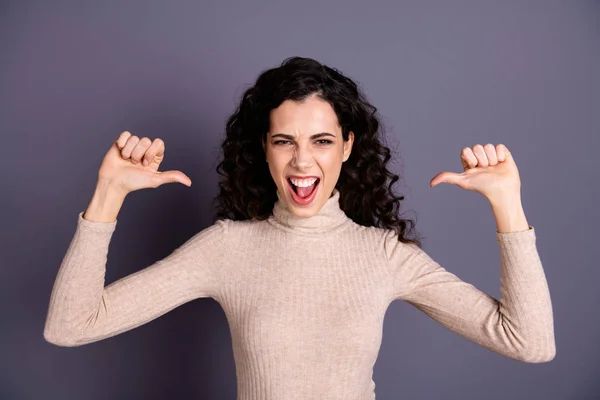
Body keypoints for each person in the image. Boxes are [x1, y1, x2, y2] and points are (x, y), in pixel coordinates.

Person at [43, 56, 555, 399]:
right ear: (263, 149)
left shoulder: (383, 254)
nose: (302, 161)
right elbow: (70, 326)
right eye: (284, 140)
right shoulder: (227, 248)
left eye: (322, 141)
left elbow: (529, 343)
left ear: (348, 146)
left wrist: (507, 204)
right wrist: (108, 194)